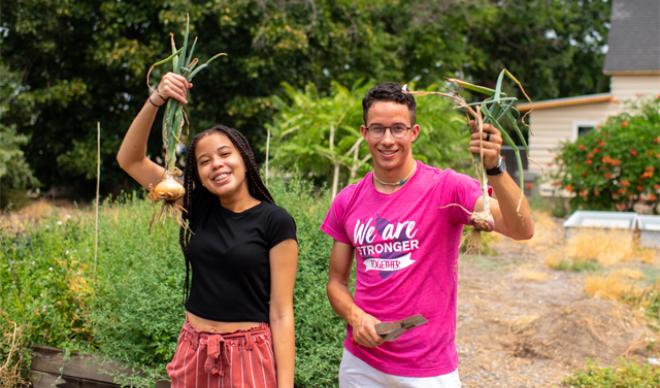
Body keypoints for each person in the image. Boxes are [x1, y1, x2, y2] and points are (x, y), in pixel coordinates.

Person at [322, 83, 534, 387]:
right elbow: (336, 282)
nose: (387, 139)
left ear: (414, 132)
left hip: (429, 370)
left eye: (398, 128)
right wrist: (355, 317)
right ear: (364, 132)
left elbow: (522, 229)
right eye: (377, 129)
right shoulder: (348, 200)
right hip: (362, 366)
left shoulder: (447, 188)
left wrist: (496, 168)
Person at [117, 72, 298, 387]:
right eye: (204, 161)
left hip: (249, 355)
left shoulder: (275, 221)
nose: (217, 164)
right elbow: (130, 160)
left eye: (225, 154)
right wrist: (156, 99)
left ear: (244, 157)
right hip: (194, 349)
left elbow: (281, 313)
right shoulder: (195, 207)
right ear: (197, 174)